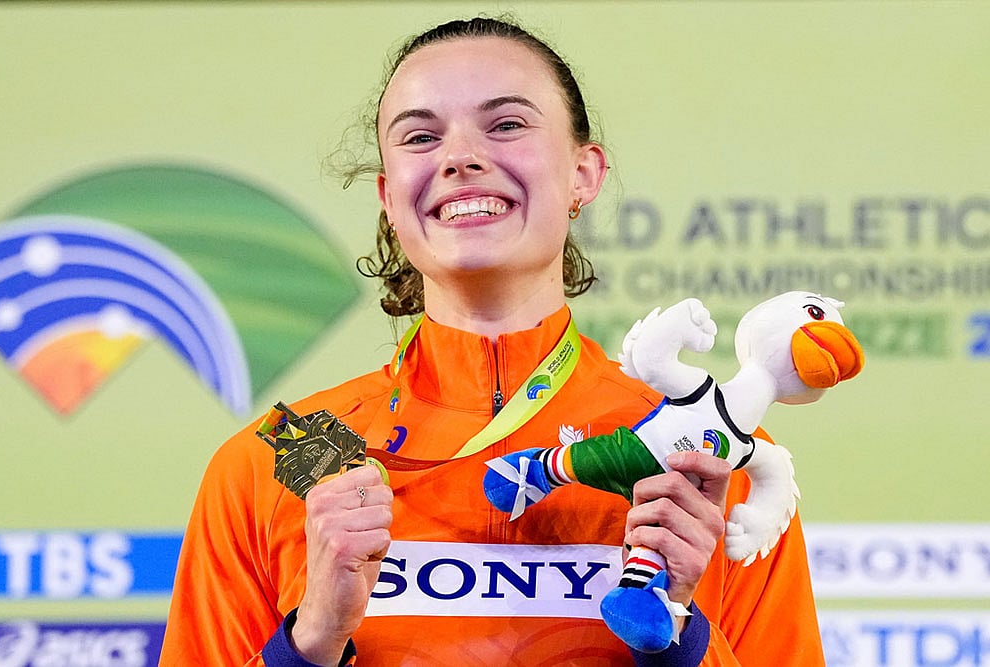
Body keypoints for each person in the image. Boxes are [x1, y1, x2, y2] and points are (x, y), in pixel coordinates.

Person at [160, 16, 825, 667]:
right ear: (390, 198)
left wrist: (677, 640)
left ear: (583, 174)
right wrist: (310, 643)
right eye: (420, 136)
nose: (460, 158)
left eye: (506, 124)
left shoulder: (710, 465)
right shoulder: (264, 467)